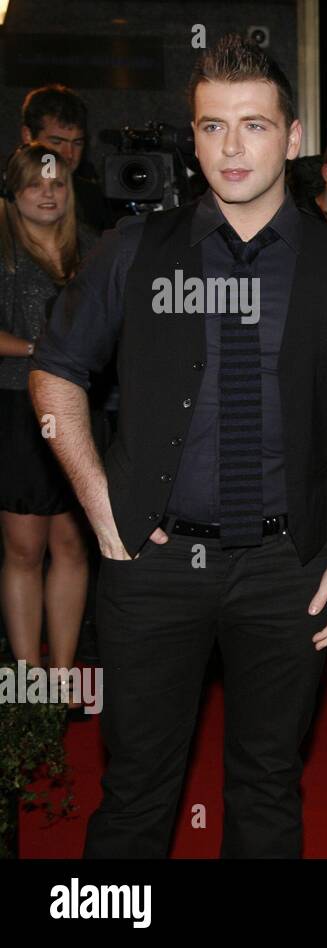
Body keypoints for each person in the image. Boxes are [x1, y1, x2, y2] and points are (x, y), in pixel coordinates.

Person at [29, 33, 327, 858]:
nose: (233, 148)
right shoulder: (133, 251)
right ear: (192, 136)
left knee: (267, 788)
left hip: (288, 567)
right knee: (134, 792)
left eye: (255, 126)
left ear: (292, 137)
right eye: (213, 127)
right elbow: (56, 373)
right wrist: (102, 508)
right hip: (152, 564)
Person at [0, 143, 97, 704]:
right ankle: (24, 677)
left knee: (72, 544)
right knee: (24, 547)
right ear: (15, 191)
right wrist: (44, 349)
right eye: (36, 183)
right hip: (16, 409)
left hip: (78, 410)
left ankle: (61, 679)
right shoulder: (3, 249)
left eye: (57, 183)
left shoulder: (87, 250)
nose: (47, 191)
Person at [19, 84, 114, 233]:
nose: (69, 154)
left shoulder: (92, 197)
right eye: (57, 142)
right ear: (28, 136)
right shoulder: (6, 191)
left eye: (77, 143)